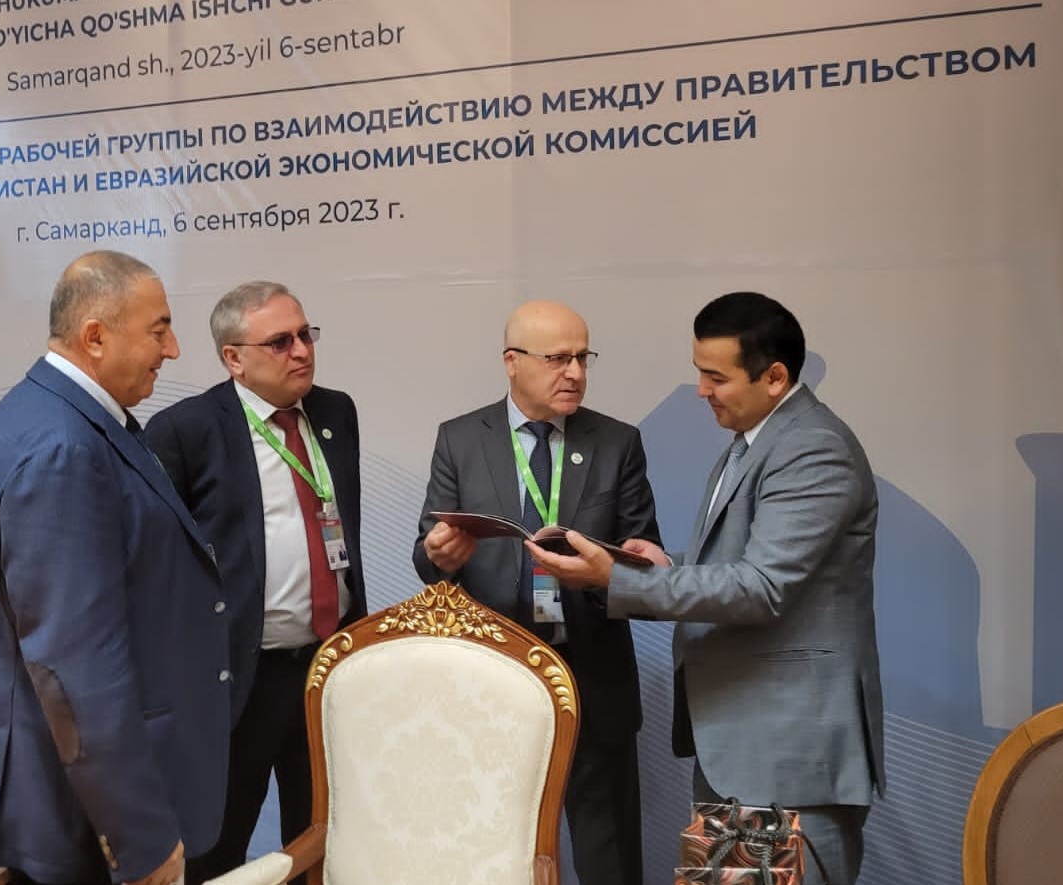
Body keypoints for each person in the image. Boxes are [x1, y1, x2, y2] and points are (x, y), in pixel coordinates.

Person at [530, 291, 884, 885]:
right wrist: (661, 566)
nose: (701, 391)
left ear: (775, 377)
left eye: (716, 377)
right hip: (741, 749)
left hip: (785, 757)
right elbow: (747, 563)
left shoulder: (813, 448)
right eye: (700, 372)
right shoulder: (755, 441)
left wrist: (614, 579)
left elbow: (763, 586)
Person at [0, 251, 232, 885]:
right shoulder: (63, 449)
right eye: (158, 329)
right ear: (95, 336)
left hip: (74, 788)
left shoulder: (59, 415)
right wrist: (141, 837)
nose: (174, 349)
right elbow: (74, 667)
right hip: (74, 806)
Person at [414, 300, 660, 885]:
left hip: (592, 676)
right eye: (557, 359)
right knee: (493, 850)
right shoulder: (459, 438)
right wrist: (438, 556)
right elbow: (427, 558)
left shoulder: (617, 442)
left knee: (607, 854)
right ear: (512, 362)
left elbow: (643, 561)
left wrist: (614, 571)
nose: (574, 373)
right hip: (492, 682)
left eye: (582, 358)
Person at [146, 281, 366, 884]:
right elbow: (156, 567)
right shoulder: (185, 431)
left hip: (328, 667)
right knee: (218, 849)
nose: (302, 351)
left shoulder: (336, 412)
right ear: (234, 358)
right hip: (239, 678)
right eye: (280, 342)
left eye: (305, 335)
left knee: (322, 842)